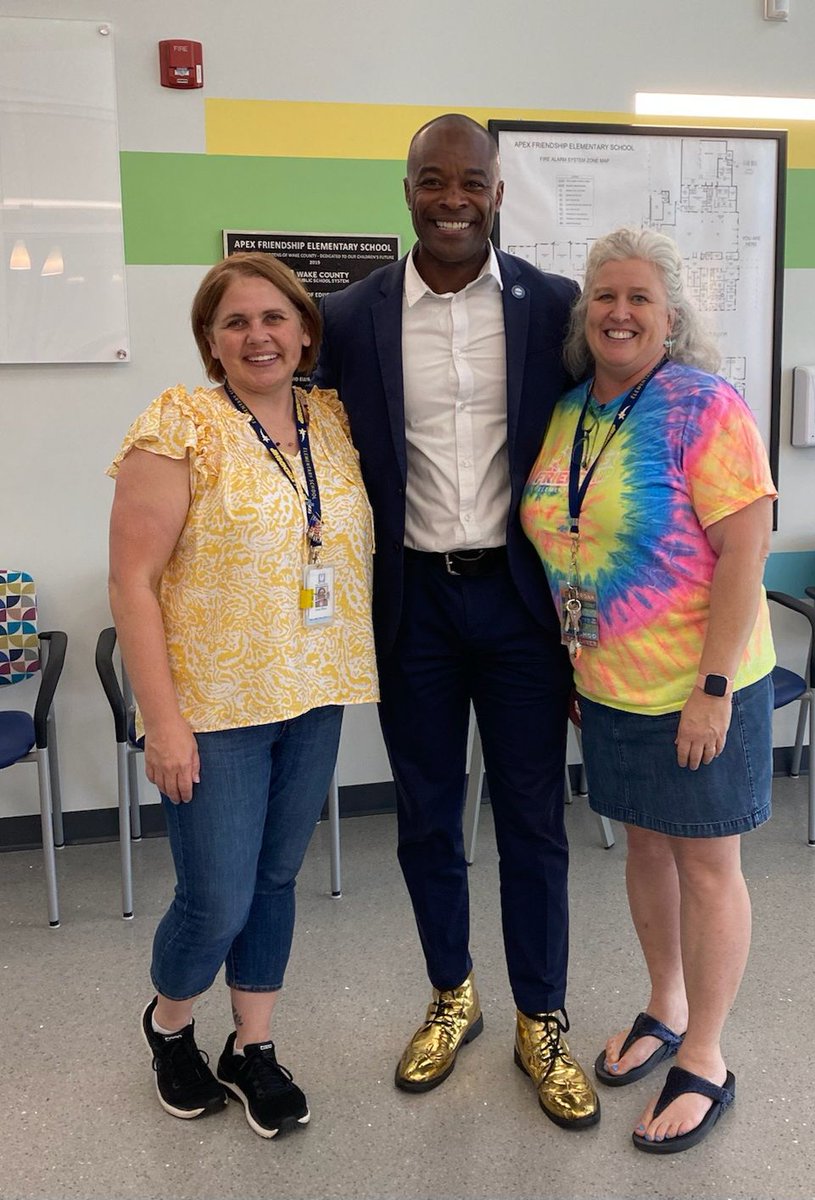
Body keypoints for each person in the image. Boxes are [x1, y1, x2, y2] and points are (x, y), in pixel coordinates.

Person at [313, 113, 599, 1129]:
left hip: (520, 604)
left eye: (470, 182)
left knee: (534, 821)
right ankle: (452, 995)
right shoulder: (349, 317)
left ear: (497, 193)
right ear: (406, 191)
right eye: (432, 181)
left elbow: (610, 428)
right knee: (428, 816)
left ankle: (542, 1016)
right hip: (414, 605)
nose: (451, 200)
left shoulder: (553, 306)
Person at [107, 252, 377, 1139]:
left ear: (305, 331)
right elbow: (132, 582)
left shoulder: (331, 418)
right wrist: (163, 723)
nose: (258, 335)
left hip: (313, 693)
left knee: (274, 880)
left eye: (274, 318)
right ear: (211, 340)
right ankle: (170, 1024)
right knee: (216, 898)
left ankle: (251, 1047)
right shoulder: (179, 424)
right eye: (236, 322)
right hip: (213, 710)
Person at [521, 226, 777, 1154]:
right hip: (609, 685)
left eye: (640, 299)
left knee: (707, 865)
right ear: (584, 313)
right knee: (643, 849)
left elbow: (746, 547)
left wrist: (713, 685)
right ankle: (666, 1005)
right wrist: (579, 665)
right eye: (605, 296)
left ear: (672, 318)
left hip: (699, 686)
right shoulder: (571, 412)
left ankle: (705, 1055)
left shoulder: (704, 404)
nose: (619, 313)